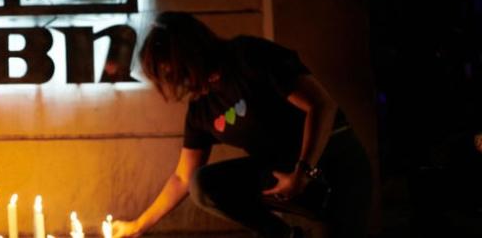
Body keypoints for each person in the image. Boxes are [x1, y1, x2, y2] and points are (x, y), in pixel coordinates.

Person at [111, 12, 372, 238]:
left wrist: (303, 172)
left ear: (189, 54)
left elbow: (321, 105)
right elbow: (182, 177)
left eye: (173, 72)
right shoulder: (202, 109)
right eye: (167, 77)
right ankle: (281, 234)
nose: (175, 82)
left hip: (332, 166)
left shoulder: (247, 56)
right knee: (202, 183)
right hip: (285, 179)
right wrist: (137, 226)